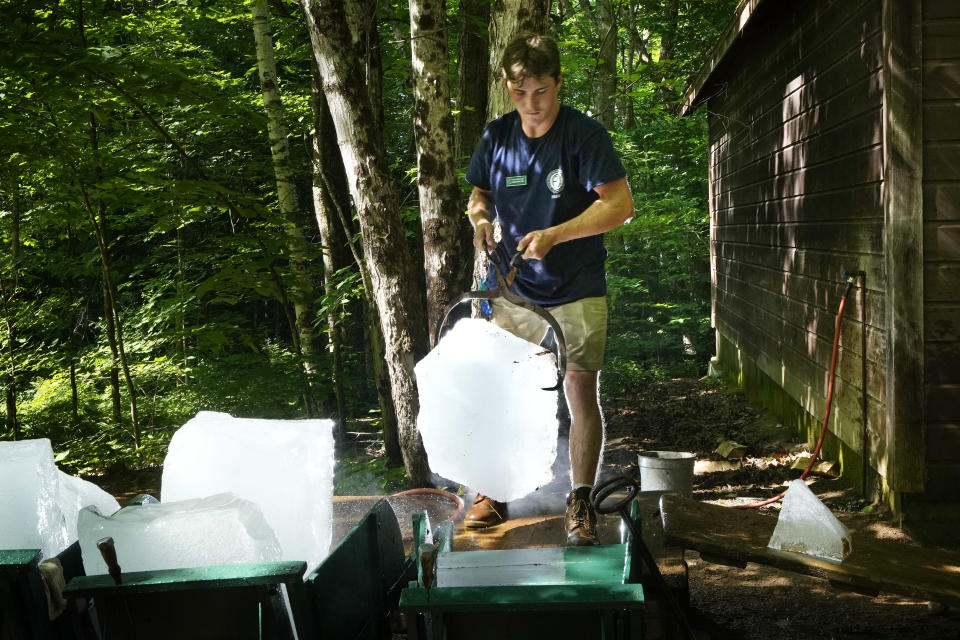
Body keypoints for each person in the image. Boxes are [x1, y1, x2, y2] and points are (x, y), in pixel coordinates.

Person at [463, 33, 634, 545]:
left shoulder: (584, 135)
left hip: (576, 283)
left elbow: (620, 205)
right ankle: (493, 488)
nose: (531, 104)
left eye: (540, 91)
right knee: (501, 389)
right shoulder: (496, 137)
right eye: (520, 92)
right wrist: (480, 221)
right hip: (513, 287)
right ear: (507, 87)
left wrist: (557, 235)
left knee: (579, 388)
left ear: (558, 83)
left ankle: (580, 499)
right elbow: (479, 194)